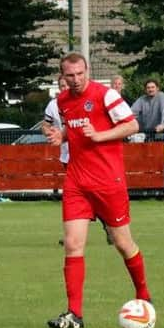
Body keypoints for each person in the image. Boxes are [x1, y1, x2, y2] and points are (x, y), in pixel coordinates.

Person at [44, 52, 152, 328]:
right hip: (77, 182)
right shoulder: (62, 102)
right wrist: (61, 135)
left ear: (87, 71)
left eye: (81, 74)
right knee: (72, 244)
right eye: (71, 75)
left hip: (108, 182)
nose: (76, 79)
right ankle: (74, 314)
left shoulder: (106, 95)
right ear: (62, 76)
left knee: (123, 244)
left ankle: (144, 295)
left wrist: (100, 135)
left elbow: (132, 124)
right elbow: (74, 129)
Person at [44, 76, 113, 246]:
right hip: (68, 156)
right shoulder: (55, 104)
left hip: (88, 157)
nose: (64, 87)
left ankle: (110, 226)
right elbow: (45, 124)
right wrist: (50, 131)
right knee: (75, 197)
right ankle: (73, 235)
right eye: (61, 85)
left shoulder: (86, 100)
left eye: (66, 85)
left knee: (94, 196)